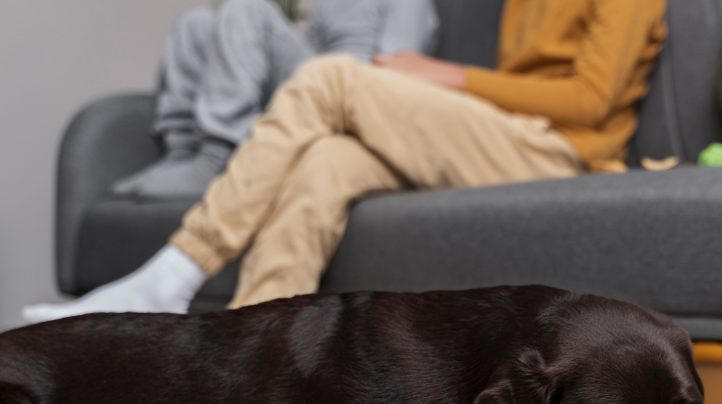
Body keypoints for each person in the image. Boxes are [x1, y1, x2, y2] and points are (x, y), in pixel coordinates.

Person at [23, 0, 666, 322]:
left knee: (332, 78)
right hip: (499, 132)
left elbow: (589, 100)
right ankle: (250, 361)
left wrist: (443, 77)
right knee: (324, 161)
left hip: (563, 151)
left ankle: (175, 272)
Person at [113, 0, 438, 199]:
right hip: (311, 89)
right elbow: (304, 55)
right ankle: (182, 153)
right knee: (195, 23)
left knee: (248, 7)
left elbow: (399, 73)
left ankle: (218, 157)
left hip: (353, 97)